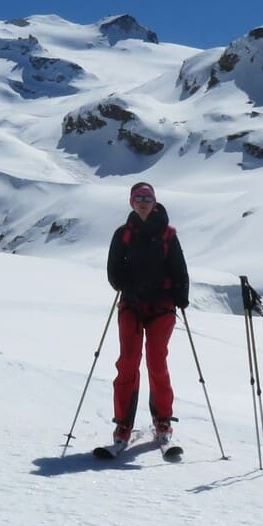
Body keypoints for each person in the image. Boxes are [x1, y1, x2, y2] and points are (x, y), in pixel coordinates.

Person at [104, 181, 190, 452]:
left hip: (161, 306)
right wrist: (122, 283)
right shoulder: (123, 234)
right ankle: (123, 424)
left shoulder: (167, 234)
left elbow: (179, 268)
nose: (143, 202)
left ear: (154, 202)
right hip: (131, 304)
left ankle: (163, 420)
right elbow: (113, 270)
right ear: (132, 202)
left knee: (156, 361)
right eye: (138, 198)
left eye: (147, 198)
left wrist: (181, 296)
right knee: (127, 363)